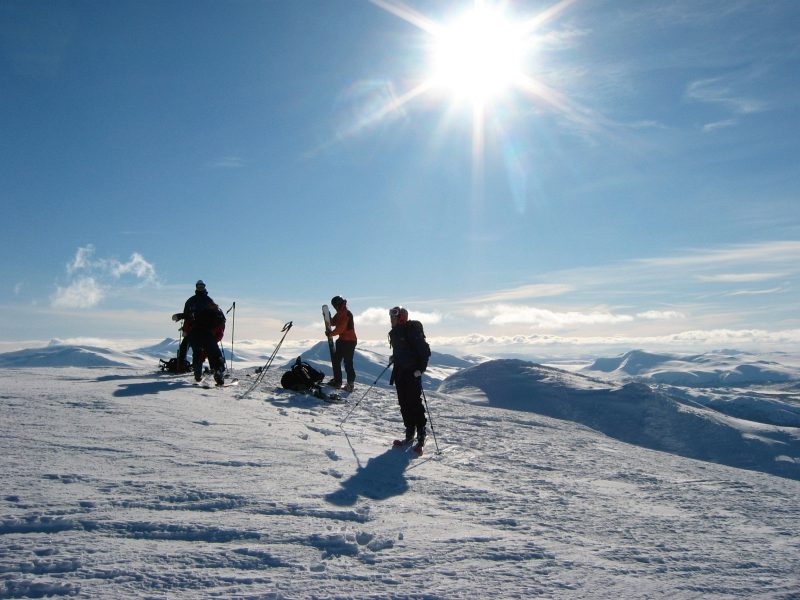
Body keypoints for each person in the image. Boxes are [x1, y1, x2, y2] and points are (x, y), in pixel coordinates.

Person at [388, 306, 431, 448]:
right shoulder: (395, 332)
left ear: (401, 318)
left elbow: (424, 351)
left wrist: (421, 369)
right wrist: (394, 357)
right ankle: (410, 431)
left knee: (414, 402)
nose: (391, 320)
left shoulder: (411, 330)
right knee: (404, 403)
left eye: (393, 317)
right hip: (400, 372)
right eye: (391, 317)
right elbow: (401, 350)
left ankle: (421, 432)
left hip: (413, 372)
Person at [172, 280, 226, 384]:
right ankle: (216, 372)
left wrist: (183, 324)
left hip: (194, 331)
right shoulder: (204, 301)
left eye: (202, 286)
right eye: (199, 286)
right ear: (196, 287)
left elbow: (187, 316)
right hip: (205, 333)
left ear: (204, 287)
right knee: (212, 353)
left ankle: (197, 374)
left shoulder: (195, 301)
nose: (200, 288)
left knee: (197, 352)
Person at [326, 295, 357, 392]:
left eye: (334, 305)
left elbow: (341, 328)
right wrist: (328, 317)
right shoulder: (340, 313)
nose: (335, 307)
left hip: (349, 341)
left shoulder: (346, 314)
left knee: (348, 363)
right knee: (336, 360)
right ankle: (337, 381)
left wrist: (331, 333)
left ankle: (350, 385)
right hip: (342, 340)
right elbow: (333, 322)